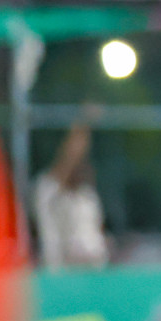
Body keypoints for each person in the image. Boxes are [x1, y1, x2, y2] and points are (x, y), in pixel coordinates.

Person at [33, 114, 107, 270]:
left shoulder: (86, 195)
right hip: (60, 271)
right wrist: (83, 124)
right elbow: (69, 158)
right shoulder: (46, 189)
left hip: (91, 269)